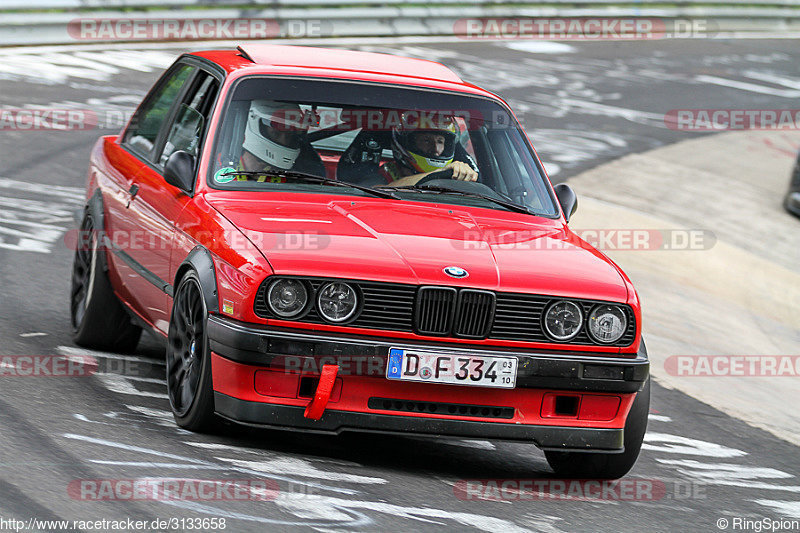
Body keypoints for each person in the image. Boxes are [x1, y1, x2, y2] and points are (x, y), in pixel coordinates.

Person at [379, 113, 479, 186]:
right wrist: (439, 173)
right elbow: (377, 190)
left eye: (440, 141)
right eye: (426, 140)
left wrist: (466, 174)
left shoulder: (454, 172)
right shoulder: (386, 173)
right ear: (409, 142)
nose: (435, 148)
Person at [236, 100, 325, 180]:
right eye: (276, 133)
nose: (284, 141)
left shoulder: (296, 177)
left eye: (289, 135)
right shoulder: (224, 167)